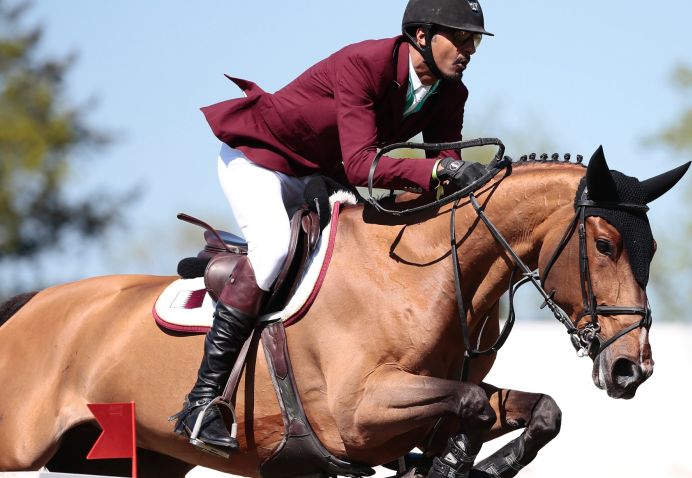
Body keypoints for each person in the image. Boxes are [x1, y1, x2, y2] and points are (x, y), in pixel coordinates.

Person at [170, 0, 494, 454]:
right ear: (421, 36)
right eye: (461, 38)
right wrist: (440, 174)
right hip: (262, 162)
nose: (469, 50)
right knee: (274, 252)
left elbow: (444, 166)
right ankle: (202, 403)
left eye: (474, 41)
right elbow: (363, 164)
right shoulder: (366, 63)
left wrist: (474, 187)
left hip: (318, 177)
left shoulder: (450, 92)